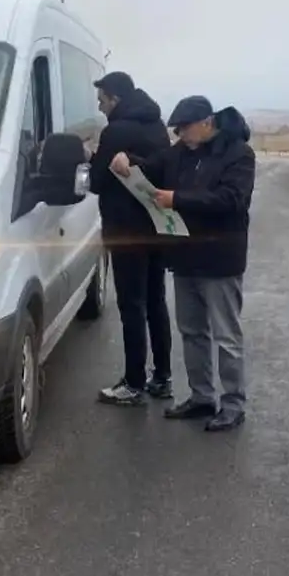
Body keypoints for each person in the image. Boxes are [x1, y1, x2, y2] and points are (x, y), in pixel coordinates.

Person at [109, 95, 255, 432]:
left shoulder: (238, 154)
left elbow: (232, 199)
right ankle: (202, 397)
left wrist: (178, 199)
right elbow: (152, 165)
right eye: (176, 129)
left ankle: (233, 404)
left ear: (207, 122)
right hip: (185, 257)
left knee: (226, 336)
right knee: (192, 332)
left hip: (220, 259)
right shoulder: (180, 153)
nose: (180, 135)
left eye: (185, 128)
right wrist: (127, 159)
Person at [89, 71, 175, 406]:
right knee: (155, 301)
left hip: (125, 230)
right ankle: (162, 377)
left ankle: (134, 382)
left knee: (131, 305)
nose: (100, 106)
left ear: (116, 98)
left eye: (102, 100)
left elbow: (97, 182)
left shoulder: (116, 131)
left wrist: (93, 157)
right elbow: (162, 167)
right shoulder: (157, 125)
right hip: (156, 225)